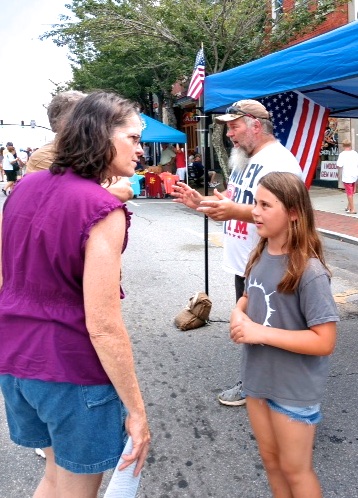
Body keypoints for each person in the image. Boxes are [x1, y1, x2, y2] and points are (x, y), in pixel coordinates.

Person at [0, 91, 150, 497]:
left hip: (15, 361)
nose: (140, 149)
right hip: (69, 369)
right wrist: (136, 410)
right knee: (74, 490)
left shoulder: (24, 188)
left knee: (53, 477)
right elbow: (102, 324)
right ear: (101, 135)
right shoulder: (102, 209)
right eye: (133, 138)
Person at [172, 99, 302, 407]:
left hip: (269, 263)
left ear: (256, 125)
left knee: (264, 327)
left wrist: (234, 210)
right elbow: (236, 199)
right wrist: (201, 203)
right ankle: (263, 383)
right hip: (247, 263)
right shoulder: (247, 159)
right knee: (251, 325)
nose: (230, 135)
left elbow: (283, 212)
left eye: (234, 127)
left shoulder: (277, 161)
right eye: (228, 128)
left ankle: (263, 387)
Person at [230, 171, 338, 497]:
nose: (255, 212)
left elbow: (325, 341)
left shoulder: (309, 270)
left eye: (265, 205)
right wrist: (238, 313)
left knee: (296, 470)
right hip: (258, 380)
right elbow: (250, 295)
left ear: (293, 213)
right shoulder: (260, 252)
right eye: (254, 203)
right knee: (271, 461)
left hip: (293, 389)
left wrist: (258, 332)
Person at [26, 90, 134, 202]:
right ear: (62, 122)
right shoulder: (46, 155)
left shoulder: (87, 150)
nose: (93, 122)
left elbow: (125, 188)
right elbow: (69, 196)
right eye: (83, 116)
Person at [336, 138, 358, 214]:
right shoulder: (355, 153)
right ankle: (348, 207)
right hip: (354, 174)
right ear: (350, 145)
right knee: (352, 191)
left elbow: (339, 165)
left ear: (343, 145)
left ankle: (352, 209)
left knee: (349, 193)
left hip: (347, 175)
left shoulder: (342, 154)